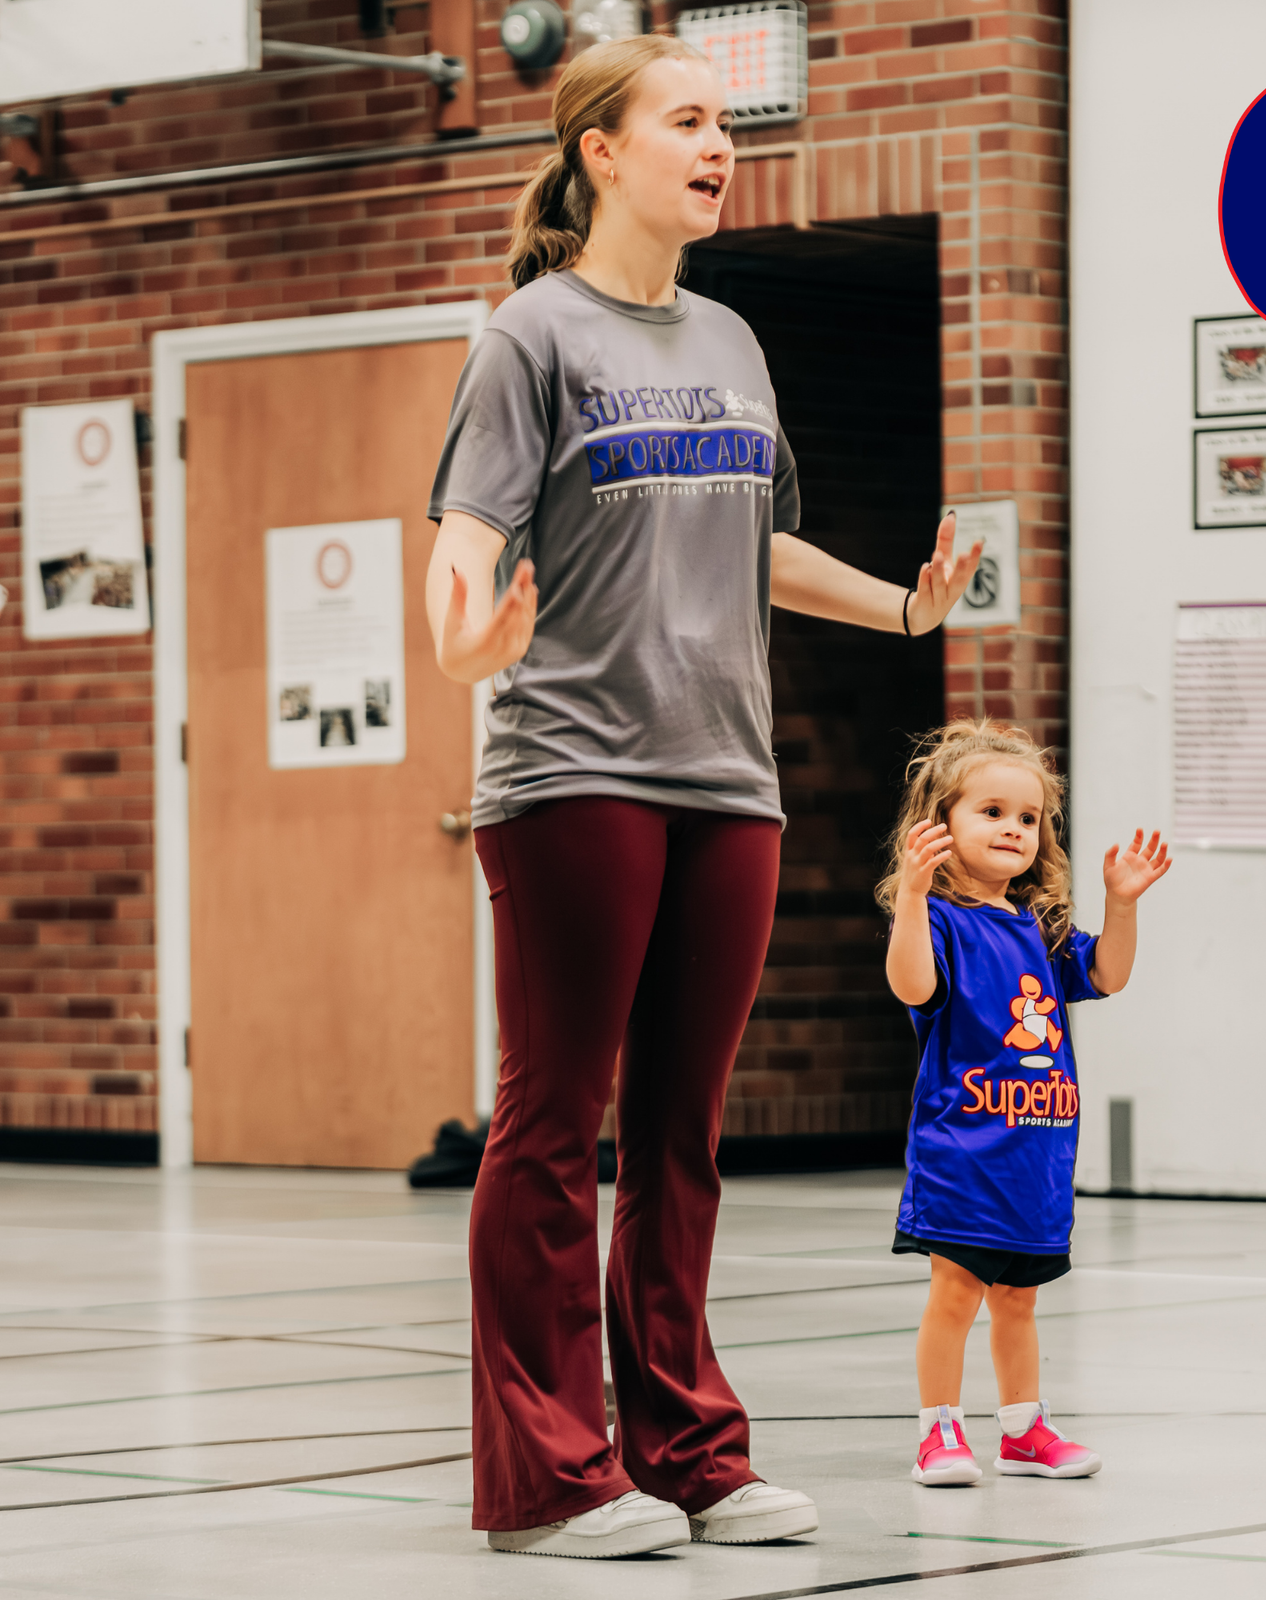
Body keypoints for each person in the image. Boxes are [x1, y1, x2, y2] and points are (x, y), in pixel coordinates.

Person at [423, 35, 983, 1561]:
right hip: (569, 775)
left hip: (729, 779)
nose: (717, 143)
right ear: (601, 149)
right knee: (554, 1122)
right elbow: (462, 559)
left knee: (683, 1132)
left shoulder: (734, 343)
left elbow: (757, 544)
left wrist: (902, 613)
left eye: (724, 124)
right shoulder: (528, 338)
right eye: (685, 120)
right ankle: (546, 1473)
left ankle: (685, 1448)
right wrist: (469, 639)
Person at [877, 720, 1169, 1487]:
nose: (1014, 829)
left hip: (1036, 1158)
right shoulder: (940, 921)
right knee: (956, 1295)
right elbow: (911, 985)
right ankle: (938, 1434)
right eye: (992, 812)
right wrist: (911, 893)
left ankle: (1022, 1430)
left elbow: (1107, 976)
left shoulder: (1038, 928)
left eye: (1029, 818)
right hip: (963, 1156)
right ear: (939, 825)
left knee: (1018, 1301)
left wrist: (1122, 902)